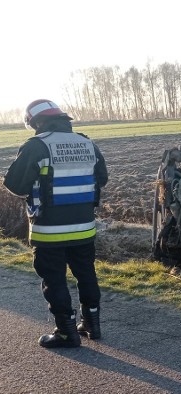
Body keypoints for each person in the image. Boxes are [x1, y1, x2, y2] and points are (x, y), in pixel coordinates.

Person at [3, 99, 109, 348]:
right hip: (84, 228)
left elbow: (16, 185)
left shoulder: (37, 146)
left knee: (55, 279)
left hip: (49, 230)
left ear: (36, 122)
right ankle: (92, 325)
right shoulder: (87, 143)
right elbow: (101, 179)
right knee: (86, 274)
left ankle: (66, 332)